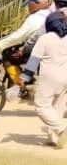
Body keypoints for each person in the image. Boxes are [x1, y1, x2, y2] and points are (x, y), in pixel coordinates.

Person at [21, 12, 67, 147]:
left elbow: (33, 61)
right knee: (57, 107)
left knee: (41, 105)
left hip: (49, 78)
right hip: (65, 78)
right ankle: (53, 138)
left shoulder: (45, 38)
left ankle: (61, 129)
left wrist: (25, 77)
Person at [0, 0, 52, 67]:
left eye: (29, 5)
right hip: (53, 51)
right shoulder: (52, 14)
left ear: (33, 4)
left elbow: (19, 36)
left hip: (40, 53)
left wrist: (1, 43)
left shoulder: (35, 17)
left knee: (8, 56)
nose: (28, 8)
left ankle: (20, 78)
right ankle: (28, 76)